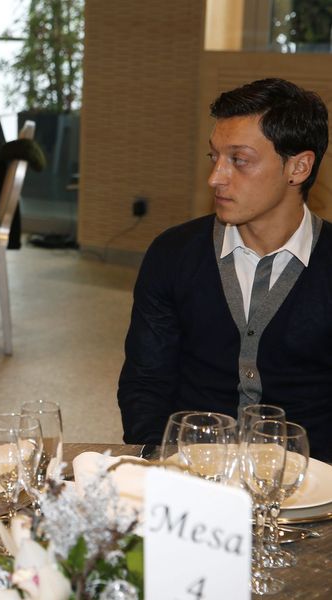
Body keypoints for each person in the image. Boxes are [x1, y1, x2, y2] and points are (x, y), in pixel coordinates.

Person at [118, 78, 332, 461]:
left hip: (313, 480)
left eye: (239, 160)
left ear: (298, 167)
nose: (215, 177)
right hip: (191, 472)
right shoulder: (174, 253)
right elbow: (146, 383)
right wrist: (163, 465)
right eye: (214, 157)